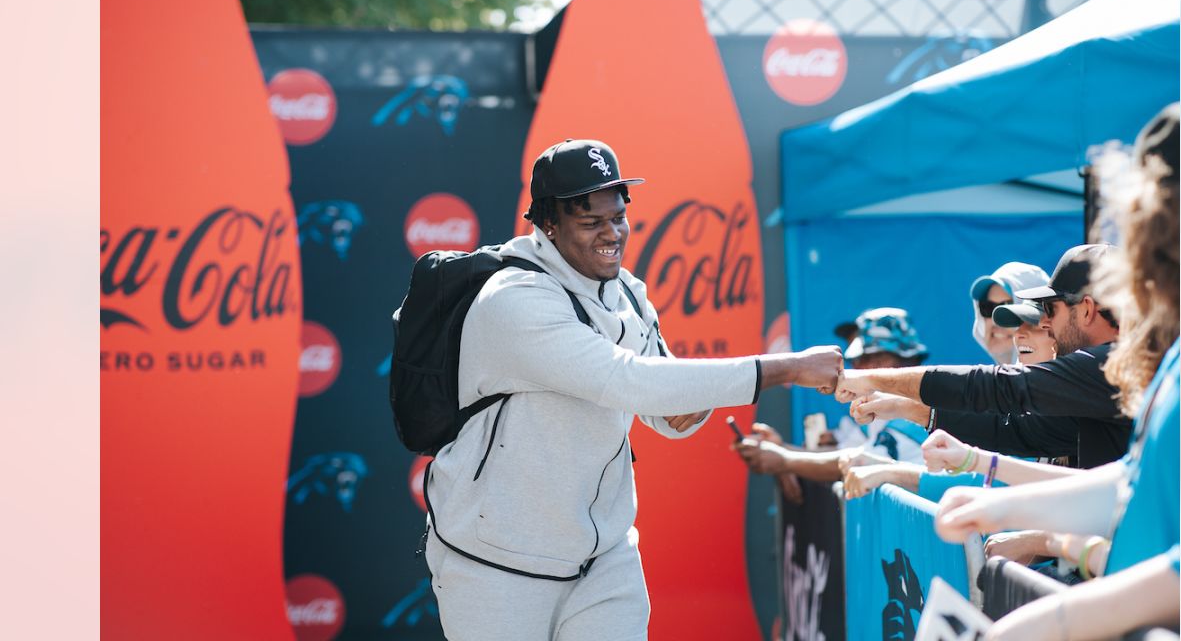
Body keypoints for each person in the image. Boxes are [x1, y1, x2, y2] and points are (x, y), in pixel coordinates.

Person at [420, 139, 843, 640]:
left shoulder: (630, 294)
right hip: (495, 557)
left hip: (603, 554)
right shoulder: (514, 299)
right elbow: (625, 378)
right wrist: (787, 368)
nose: (612, 233)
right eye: (591, 221)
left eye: (617, 216)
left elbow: (663, 413)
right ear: (548, 225)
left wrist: (685, 407)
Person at [933, 104, 1181, 640]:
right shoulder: (1177, 361)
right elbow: (1128, 488)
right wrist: (996, 493)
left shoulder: (1118, 366)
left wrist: (1051, 613)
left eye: (1043, 314)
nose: (1027, 332)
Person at [838, 244, 1134, 468]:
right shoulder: (1109, 370)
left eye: (1050, 310)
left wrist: (867, 378)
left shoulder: (1112, 366)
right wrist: (908, 407)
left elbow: (1000, 388)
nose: (1042, 323)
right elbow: (1017, 432)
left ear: (1086, 308)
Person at [732, 308, 930, 493]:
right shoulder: (877, 412)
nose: (861, 367)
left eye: (875, 357)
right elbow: (845, 453)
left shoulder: (916, 411)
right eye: (858, 359)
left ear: (909, 360)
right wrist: (781, 449)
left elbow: (858, 463)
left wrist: (785, 460)